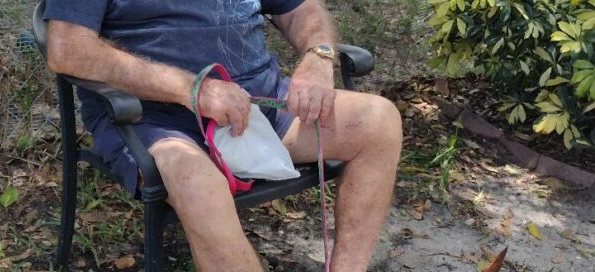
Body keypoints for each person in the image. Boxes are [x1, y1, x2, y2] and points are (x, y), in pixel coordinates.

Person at [44, 0, 402, 270]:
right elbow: (68, 49)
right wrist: (192, 89)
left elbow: (301, 9)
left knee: (378, 121)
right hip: (151, 117)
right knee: (197, 183)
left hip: (259, 102)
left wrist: (319, 56)